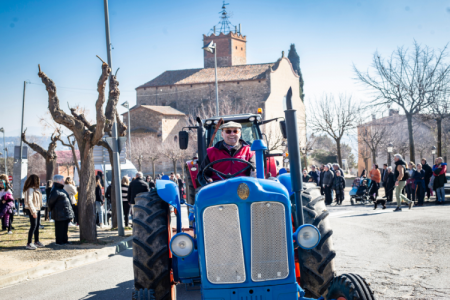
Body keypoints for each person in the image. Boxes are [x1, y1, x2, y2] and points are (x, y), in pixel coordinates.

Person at [48, 174, 74, 245]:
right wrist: (54, 210)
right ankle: (59, 241)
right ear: (58, 181)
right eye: (62, 180)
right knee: (60, 228)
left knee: (65, 228)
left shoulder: (61, 189)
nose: (63, 181)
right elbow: (50, 202)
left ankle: (65, 240)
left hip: (64, 212)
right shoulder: (55, 190)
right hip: (59, 213)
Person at [23, 175, 44, 249]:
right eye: (38, 180)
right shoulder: (30, 189)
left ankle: (36, 241)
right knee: (33, 226)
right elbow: (29, 201)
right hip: (33, 209)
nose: (39, 181)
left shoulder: (36, 189)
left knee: (37, 226)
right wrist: (33, 212)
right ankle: (29, 243)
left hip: (37, 209)